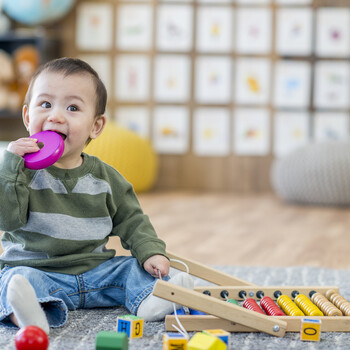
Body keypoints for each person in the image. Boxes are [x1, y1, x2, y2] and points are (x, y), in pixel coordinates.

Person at [0, 57, 193, 334]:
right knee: (15, 280)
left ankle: (153, 300)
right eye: (45, 104)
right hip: (40, 271)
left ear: (96, 126)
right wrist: (10, 167)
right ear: (28, 117)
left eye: (73, 107)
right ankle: (31, 315)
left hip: (97, 274)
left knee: (130, 269)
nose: (56, 116)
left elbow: (132, 220)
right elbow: (6, 219)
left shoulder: (106, 178)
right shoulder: (16, 173)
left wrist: (151, 252)